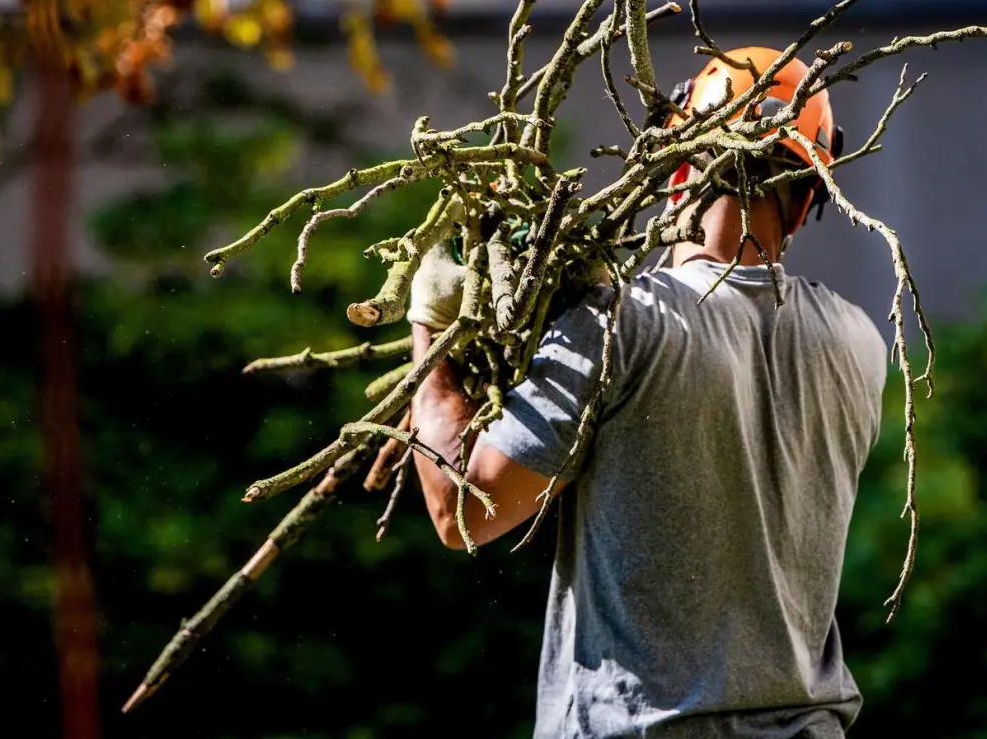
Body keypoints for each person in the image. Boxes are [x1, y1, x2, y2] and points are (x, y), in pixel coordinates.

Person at [378, 48, 888, 738]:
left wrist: (432, 336)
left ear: (675, 172)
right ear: (803, 208)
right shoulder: (858, 345)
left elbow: (463, 509)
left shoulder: (623, 324)